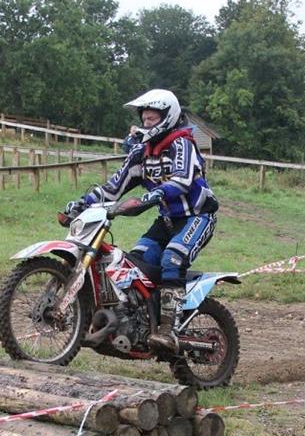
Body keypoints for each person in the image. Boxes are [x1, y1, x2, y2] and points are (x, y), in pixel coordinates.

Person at [67, 88, 218, 351]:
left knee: (173, 258)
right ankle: (141, 322)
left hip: (197, 216)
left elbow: (182, 180)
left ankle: (168, 330)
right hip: (167, 221)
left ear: (167, 118)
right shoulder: (141, 153)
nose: (146, 125)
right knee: (133, 267)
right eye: (144, 119)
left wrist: (153, 196)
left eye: (152, 120)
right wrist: (82, 202)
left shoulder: (182, 143)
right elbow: (113, 188)